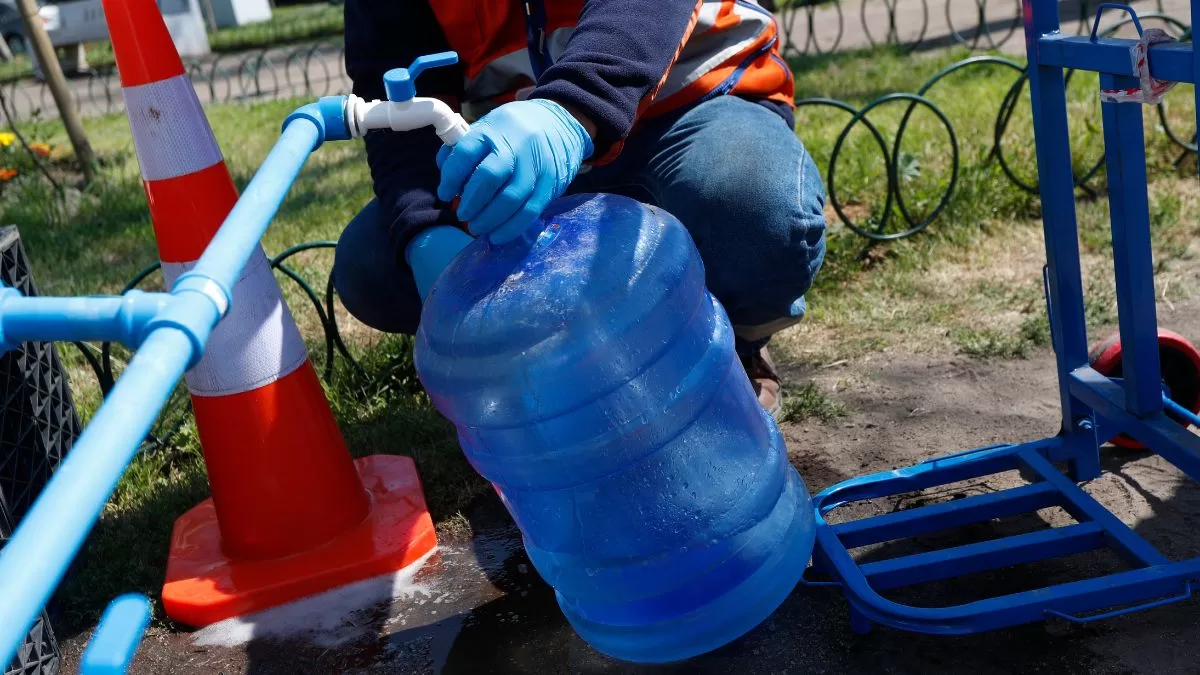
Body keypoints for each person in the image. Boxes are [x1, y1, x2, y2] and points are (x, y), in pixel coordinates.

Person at [335, 0, 827, 419]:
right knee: (373, 263)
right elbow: (395, 75)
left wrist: (572, 110)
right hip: (526, 148)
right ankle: (558, 365)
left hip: (691, 106)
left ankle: (727, 338)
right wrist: (427, 228)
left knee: (751, 205)